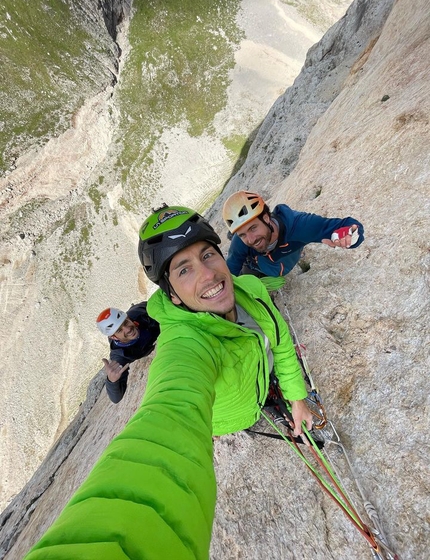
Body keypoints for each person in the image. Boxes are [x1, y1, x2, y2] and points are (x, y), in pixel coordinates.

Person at [24, 205, 313, 560]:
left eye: (208, 254)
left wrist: (297, 397)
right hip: (231, 414)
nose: (208, 275)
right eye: (184, 269)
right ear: (172, 294)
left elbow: (279, 337)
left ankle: (271, 397)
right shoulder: (182, 345)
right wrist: (114, 383)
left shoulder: (249, 289)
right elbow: (170, 410)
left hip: (254, 379)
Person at [223, 190, 364, 277]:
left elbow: (349, 226)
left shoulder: (299, 226)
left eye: (253, 228)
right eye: (242, 234)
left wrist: (348, 236)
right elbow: (231, 272)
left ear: (266, 217)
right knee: (239, 255)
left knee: (250, 270)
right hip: (261, 259)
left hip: (275, 266)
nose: (251, 239)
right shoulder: (239, 242)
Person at [96, 303, 160, 402]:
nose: (128, 329)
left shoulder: (140, 312)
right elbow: (116, 398)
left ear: (129, 318)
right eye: (119, 330)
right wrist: (112, 380)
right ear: (113, 337)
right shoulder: (120, 354)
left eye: (125, 322)